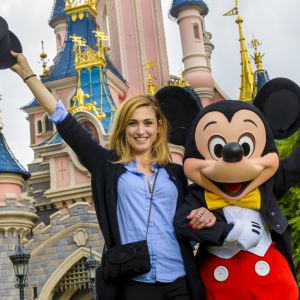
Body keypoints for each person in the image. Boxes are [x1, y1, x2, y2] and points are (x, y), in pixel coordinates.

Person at [10, 51, 216, 300]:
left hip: (179, 279)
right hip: (135, 280)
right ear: (123, 128)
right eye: (133, 123)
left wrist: (204, 213)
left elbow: (194, 206)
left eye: (148, 123)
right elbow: (63, 119)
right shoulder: (107, 166)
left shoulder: (174, 173)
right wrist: (28, 75)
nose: (141, 131)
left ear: (159, 126)